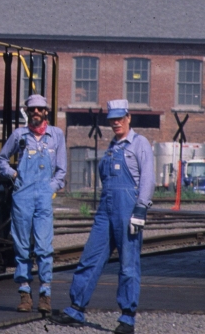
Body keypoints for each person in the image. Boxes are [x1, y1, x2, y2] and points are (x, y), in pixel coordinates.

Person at [52, 99, 154, 334]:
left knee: (128, 263)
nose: (116, 123)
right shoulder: (112, 146)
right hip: (106, 209)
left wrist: (140, 208)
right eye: (112, 119)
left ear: (129, 117)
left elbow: (148, 178)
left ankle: (127, 318)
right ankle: (76, 308)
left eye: (120, 118)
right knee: (90, 256)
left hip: (128, 210)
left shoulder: (140, 144)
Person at [0, 93, 66, 315]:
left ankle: (45, 294)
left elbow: (61, 170)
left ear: (46, 111)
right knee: (22, 247)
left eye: (39, 109)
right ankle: (24, 293)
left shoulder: (56, 136)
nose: (36, 112)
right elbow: (1, 160)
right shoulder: (19, 135)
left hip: (43, 197)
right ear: (27, 112)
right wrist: (14, 176)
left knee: (44, 247)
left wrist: (51, 188)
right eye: (32, 109)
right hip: (22, 197)